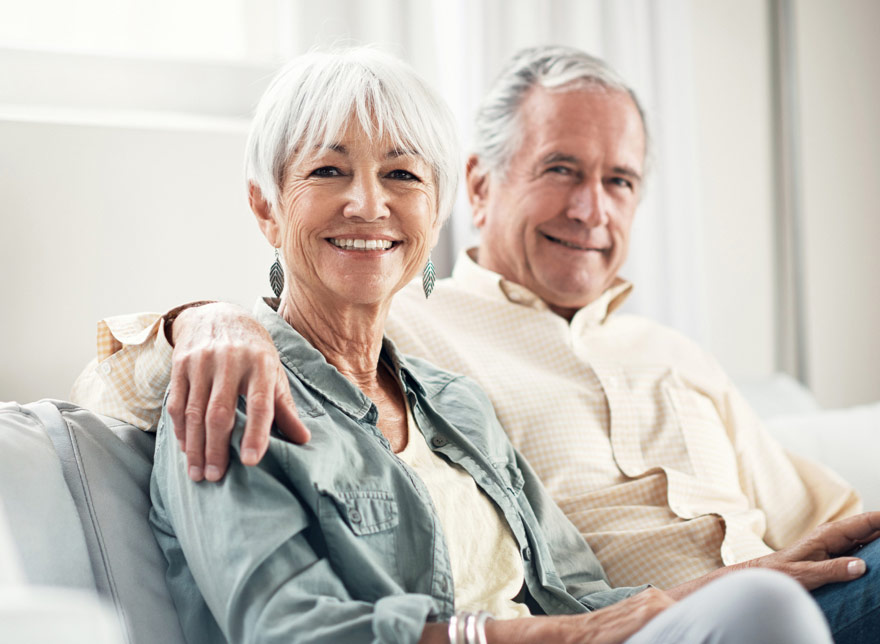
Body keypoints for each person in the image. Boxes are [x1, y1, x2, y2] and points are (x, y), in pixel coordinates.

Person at [72, 46, 878, 642]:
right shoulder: (234, 387)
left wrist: (724, 592)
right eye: (326, 171)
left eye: (401, 176)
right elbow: (293, 630)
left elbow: (579, 594)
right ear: (264, 207)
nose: (367, 204)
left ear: (436, 207)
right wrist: (202, 319)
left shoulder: (450, 401)